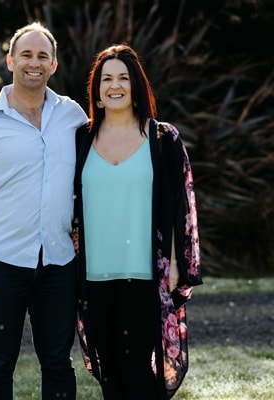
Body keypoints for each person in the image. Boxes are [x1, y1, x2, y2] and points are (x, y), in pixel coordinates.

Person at [0, 22, 88, 400]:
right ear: (10, 60)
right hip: (1, 263)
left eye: (43, 56)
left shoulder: (73, 116)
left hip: (59, 262)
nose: (34, 63)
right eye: (26, 54)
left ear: (54, 65)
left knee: (59, 362)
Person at [72, 44, 203, 399]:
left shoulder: (162, 139)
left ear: (136, 87)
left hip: (144, 273)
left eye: (123, 78)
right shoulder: (81, 138)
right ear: (97, 91)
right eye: (107, 79)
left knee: (139, 373)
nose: (115, 86)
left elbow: (181, 204)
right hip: (94, 273)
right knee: (110, 374)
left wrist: (177, 262)